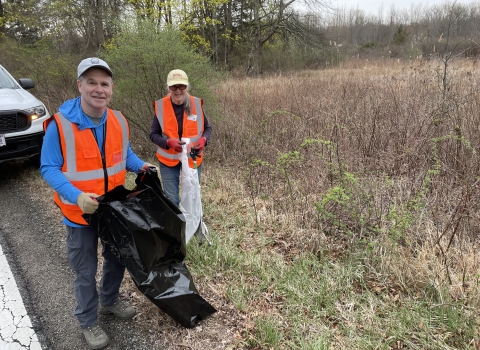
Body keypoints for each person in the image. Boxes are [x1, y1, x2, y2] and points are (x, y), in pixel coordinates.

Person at [40, 57, 154, 350]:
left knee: (117, 259)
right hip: (80, 214)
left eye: (104, 83)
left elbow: (124, 156)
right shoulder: (60, 125)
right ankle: (88, 321)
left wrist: (142, 167)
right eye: (91, 82)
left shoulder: (118, 119)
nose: (98, 89)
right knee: (85, 269)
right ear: (80, 85)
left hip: (114, 209)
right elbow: (49, 168)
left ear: (111, 88)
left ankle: (109, 301)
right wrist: (76, 196)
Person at [149, 69, 212, 208]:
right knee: (171, 200)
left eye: (181, 86)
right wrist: (168, 142)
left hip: (192, 158)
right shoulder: (161, 106)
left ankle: (192, 224)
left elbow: (207, 129)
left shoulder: (196, 104)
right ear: (168, 88)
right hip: (168, 160)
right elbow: (153, 134)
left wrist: (203, 140)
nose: (178, 90)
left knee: (192, 194)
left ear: (187, 87)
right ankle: (177, 227)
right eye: (173, 86)